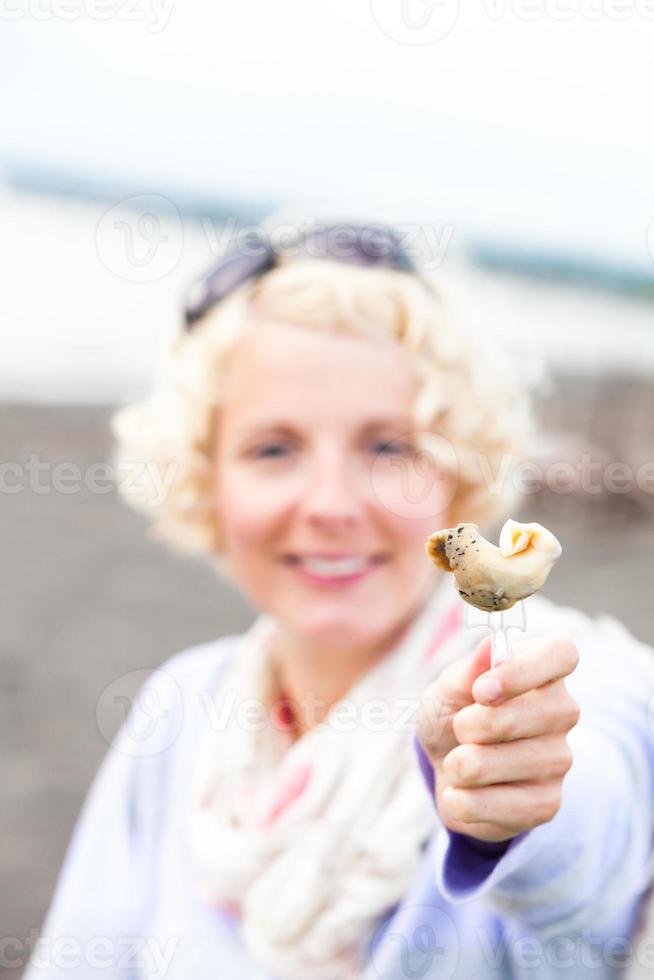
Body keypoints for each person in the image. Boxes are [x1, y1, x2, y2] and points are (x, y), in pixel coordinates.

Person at [25, 222, 654, 980]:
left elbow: (592, 823)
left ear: (458, 471)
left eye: (389, 447)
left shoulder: (581, 683)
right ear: (205, 477)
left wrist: (511, 813)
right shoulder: (181, 708)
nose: (331, 504)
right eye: (273, 449)